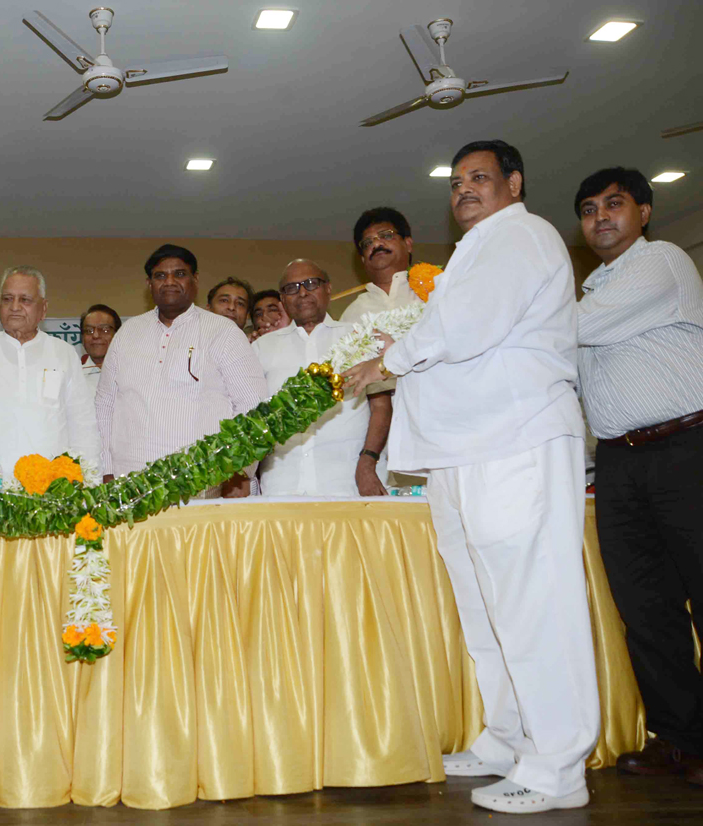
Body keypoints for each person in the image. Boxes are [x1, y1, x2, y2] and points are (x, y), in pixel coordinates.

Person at [342, 140, 597, 814]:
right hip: (463, 452)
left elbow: (465, 327)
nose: (464, 192)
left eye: (479, 178)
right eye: (456, 183)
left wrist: (385, 363)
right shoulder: (474, 252)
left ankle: (557, 765)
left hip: (513, 440)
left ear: (514, 183)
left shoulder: (521, 235)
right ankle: (506, 737)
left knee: (532, 602)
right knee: (485, 608)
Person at [574, 167, 703, 784]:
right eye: (589, 208)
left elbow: (575, 332)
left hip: (688, 446)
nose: (601, 217)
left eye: (614, 204)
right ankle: (680, 739)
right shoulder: (590, 287)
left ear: (644, 212)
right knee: (646, 608)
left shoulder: (663, 262)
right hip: (619, 464)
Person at [96, 244, 266, 497]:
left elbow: (254, 405)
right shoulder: (127, 334)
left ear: (195, 280)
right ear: (149, 283)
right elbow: (105, 405)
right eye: (160, 276)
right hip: (130, 485)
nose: (170, 282)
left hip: (202, 483)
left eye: (180, 274)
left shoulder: (222, 331)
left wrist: (239, 470)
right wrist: (105, 469)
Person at [0, 266, 100, 482]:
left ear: (44, 309)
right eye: (7, 299)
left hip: (50, 492)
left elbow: (83, 427)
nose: (15, 307)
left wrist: (88, 485)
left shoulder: (63, 354)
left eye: (25, 300)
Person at [253, 260, 387, 496]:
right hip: (281, 483)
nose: (302, 292)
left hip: (348, 480)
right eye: (292, 288)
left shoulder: (359, 336)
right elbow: (251, 416)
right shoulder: (262, 347)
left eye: (311, 283)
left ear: (328, 289)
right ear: (283, 300)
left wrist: (368, 462)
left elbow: (381, 406)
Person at [341, 207, 425, 494]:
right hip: (379, 450)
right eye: (367, 242)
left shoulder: (437, 294)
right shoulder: (352, 315)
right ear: (362, 257)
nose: (377, 244)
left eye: (386, 235)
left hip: (444, 432)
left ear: (408, 243)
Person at [80, 303, 121, 393]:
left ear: (118, 335)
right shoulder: (73, 375)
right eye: (89, 330)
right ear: (82, 338)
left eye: (105, 329)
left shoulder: (132, 374)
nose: (95, 335)